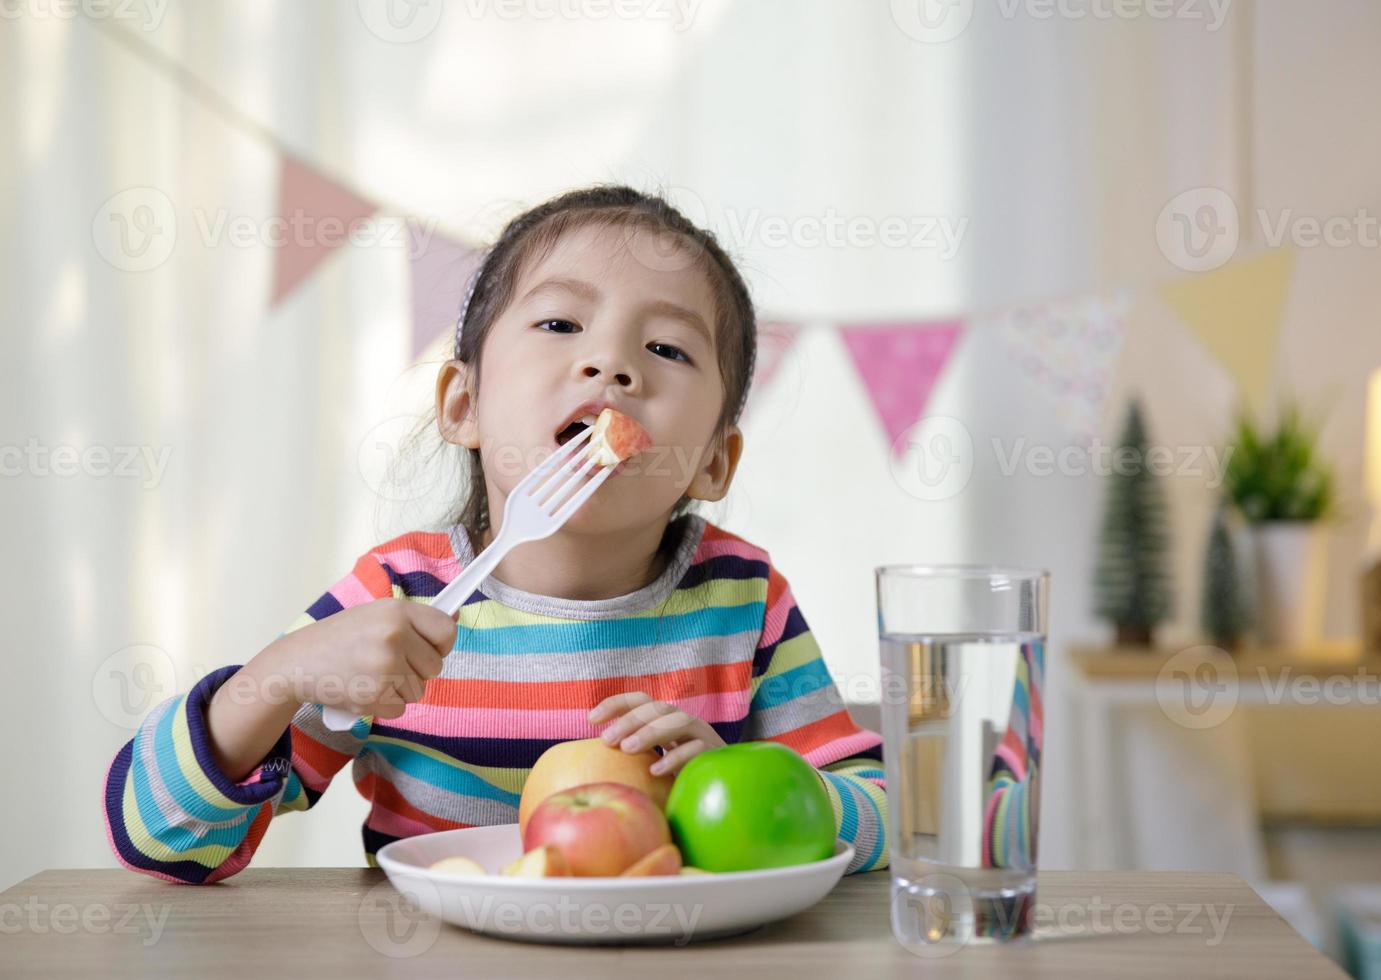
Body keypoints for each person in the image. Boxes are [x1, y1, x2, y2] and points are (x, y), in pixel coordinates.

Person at [101, 184, 888, 884]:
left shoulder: (743, 598)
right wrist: (278, 675)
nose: (610, 364)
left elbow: (877, 814)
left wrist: (740, 785)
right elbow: (163, 840)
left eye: (666, 349)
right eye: (559, 322)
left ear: (714, 462)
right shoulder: (396, 598)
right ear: (461, 405)